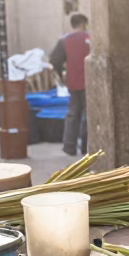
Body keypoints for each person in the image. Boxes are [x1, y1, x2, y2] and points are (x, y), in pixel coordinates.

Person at [50, 13, 90, 156]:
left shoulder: (64, 41)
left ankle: (69, 147)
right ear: (84, 24)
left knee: (72, 115)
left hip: (73, 84)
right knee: (88, 116)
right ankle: (86, 148)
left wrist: (61, 77)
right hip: (90, 83)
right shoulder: (89, 39)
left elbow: (54, 60)